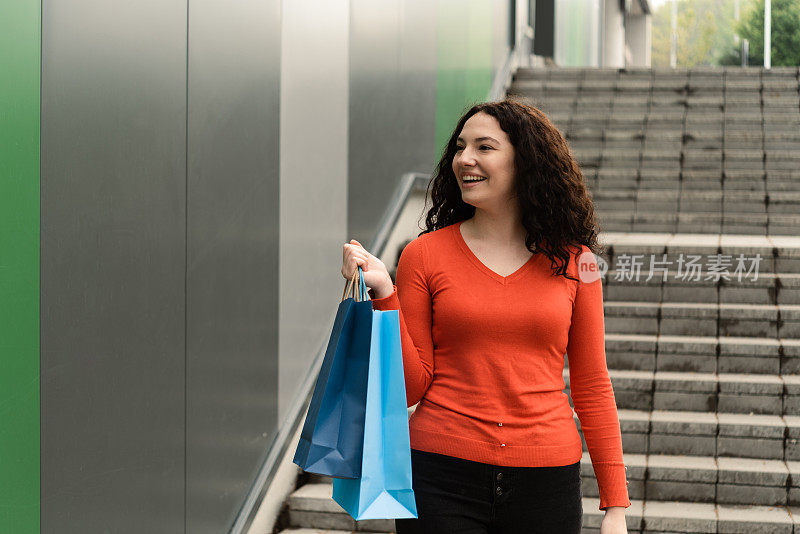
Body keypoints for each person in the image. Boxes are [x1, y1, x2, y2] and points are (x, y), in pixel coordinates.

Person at [341, 99, 629, 534]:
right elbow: (411, 385)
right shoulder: (424, 254)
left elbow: (591, 384)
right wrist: (385, 293)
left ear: (526, 163)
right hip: (441, 476)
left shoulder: (580, 263)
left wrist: (616, 508)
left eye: (484, 147)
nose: (464, 159)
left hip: (546, 481)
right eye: (460, 147)